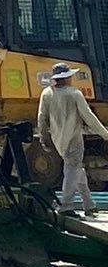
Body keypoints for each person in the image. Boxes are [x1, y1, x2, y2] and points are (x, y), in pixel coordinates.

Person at [35, 64, 108, 210]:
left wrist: (43, 137)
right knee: (71, 169)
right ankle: (66, 206)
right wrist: (104, 134)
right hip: (74, 138)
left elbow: (41, 118)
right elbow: (88, 117)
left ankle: (89, 204)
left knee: (76, 168)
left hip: (57, 139)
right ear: (67, 78)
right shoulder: (74, 93)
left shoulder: (47, 93)